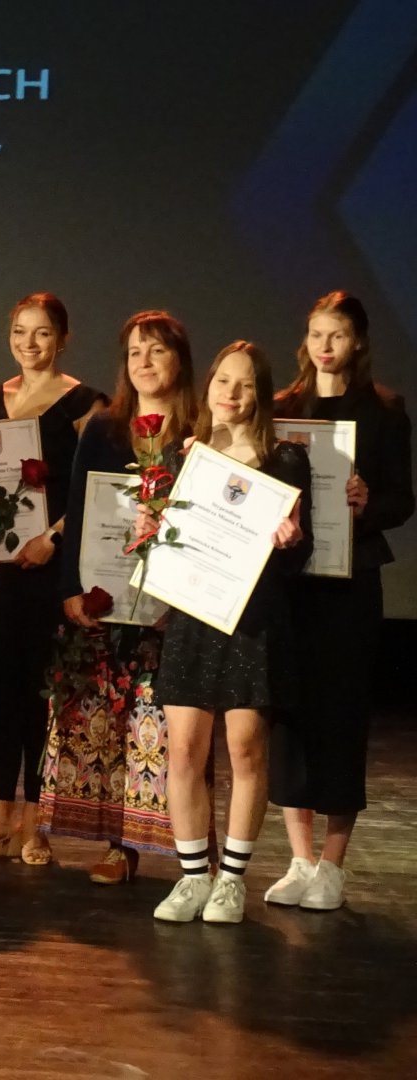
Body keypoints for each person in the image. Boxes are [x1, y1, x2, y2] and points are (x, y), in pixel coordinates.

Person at [152, 343, 312, 924]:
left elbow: (300, 554)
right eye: (223, 380)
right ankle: (194, 877)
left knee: (245, 748)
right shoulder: (184, 456)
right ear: (209, 385)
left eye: (244, 384)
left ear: (260, 394)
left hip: (253, 620)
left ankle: (232, 881)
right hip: (194, 615)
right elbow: (165, 539)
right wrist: (151, 529)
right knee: (184, 750)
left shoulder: (285, 460)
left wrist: (290, 542)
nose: (231, 393)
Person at [267, 291, 412, 912]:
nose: (325, 346)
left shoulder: (383, 410)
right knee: (288, 714)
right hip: (291, 581)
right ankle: (299, 859)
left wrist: (366, 501)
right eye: (316, 333)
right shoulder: (282, 408)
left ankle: (332, 864)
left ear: (357, 342)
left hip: (351, 584)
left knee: (342, 714)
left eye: (338, 335)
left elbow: (403, 500)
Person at [42, 311, 197, 882]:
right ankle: (118, 847)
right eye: (135, 352)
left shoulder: (200, 430)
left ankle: (194, 853)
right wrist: (69, 589)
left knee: (174, 734)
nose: (144, 363)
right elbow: (80, 511)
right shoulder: (104, 428)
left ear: (179, 359)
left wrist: (183, 601)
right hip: (107, 600)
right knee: (109, 726)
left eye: (156, 351)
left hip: (175, 611)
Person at [0, 294, 106, 865]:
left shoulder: (85, 404)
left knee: (41, 692)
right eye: (20, 331)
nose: (29, 343)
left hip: (51, 567)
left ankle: (35, 818)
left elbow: (94, 488)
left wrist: (54, 538)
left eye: (42, 333)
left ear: (62, 338)